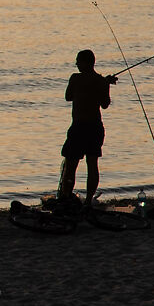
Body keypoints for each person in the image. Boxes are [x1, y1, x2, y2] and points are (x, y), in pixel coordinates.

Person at [59, 50, 117, 204]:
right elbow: (105, 105)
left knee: (70, 165)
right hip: (95, 127)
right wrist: (105, 85)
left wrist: (102, 84)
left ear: (86, 62)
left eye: (78, 61)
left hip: (79, 127)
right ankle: (88, 201)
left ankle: (66, 198)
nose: (76, 64)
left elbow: (68, 96)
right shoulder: (100, 81)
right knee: (92, 165)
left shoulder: (75, 78)